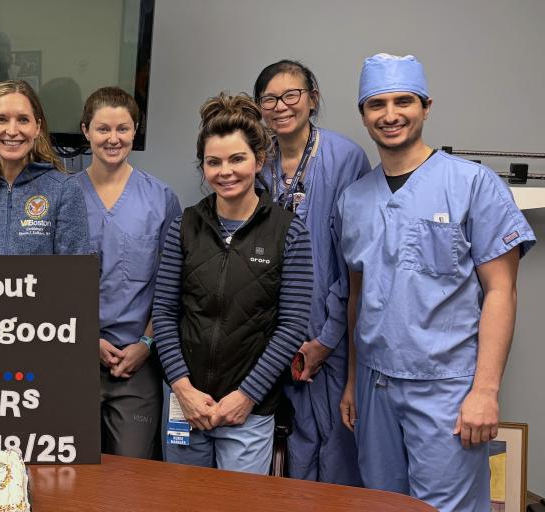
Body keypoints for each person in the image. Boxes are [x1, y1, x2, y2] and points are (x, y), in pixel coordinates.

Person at [336, 54, 535, 512]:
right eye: (376, 104)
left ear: (426, 106)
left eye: (403, 101)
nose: (390, 115)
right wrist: (351, 382)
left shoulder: (473, 185)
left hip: (446, 390)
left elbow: (501, 292)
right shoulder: (355, 199)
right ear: (363, 115)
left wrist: (485, 391)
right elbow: (358, 297)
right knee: (381, 503)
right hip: (375, 385)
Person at [152, 93, 312, 474]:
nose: (225, 171)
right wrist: (183, 388)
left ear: (259, 160)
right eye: (213, 162)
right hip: (185, 405)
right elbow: (164, 312)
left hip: (248, 411)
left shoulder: (289, 232)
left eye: (237, 159)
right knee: (182, 502)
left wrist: (247, 395)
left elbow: (291, 327)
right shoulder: (184, 226)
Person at [252, 60, 370, 485]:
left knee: (338, 440)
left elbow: (355, 261)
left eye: (292, 95)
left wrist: (326, 338)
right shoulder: (255, 162)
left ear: (312, 99)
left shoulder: (344, 158)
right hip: (270, 331)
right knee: (293, 441)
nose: (280, 106)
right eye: (269, 98)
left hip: (329, 331)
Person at [78, 86, 179, 459]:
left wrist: (146, 344)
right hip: (73, 356)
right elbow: (52, 283)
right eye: (103, 129)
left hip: (137, 362)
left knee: (132, 479)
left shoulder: (160, 198)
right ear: (86, 130)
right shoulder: (65, 197)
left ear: (135, 131)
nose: (113, 138)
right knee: (73, 475)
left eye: (123, 129)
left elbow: (171, 283)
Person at [0, 80, 91, 255]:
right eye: (1, 119)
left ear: (37, 128)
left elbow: (74, 272)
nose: (12, 130)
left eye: (23, 120)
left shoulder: (64, 190)